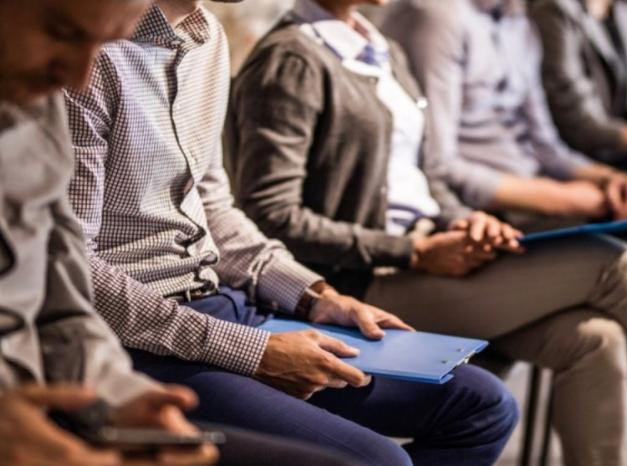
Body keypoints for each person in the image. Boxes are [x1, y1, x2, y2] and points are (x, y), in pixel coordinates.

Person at [225, 0, 627, 464]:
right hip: (368, 280)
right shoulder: (293, 58)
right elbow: (271, 214)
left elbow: (428, 176)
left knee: (596, 338)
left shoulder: (381, 47)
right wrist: (415, 249)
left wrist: (466, 221)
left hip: (433, 247)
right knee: (609, 261)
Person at [62, 1, 519, 465]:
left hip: (223, 303)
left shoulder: (208, 37)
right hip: (143, 339)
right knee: (381, 461)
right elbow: (74, 272)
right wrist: (251, 351)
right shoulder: (89, 55)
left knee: (483, 405)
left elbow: (215, 207)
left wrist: (314, 294)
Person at [0, 1, 360, 465]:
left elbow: (60, 294)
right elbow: (82, 279)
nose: (80, 77)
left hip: (196, 310)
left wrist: (125, 398)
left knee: (474, 400)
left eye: (103, 44)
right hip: (136, 333)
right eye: (61, 31)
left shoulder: (34, 112)